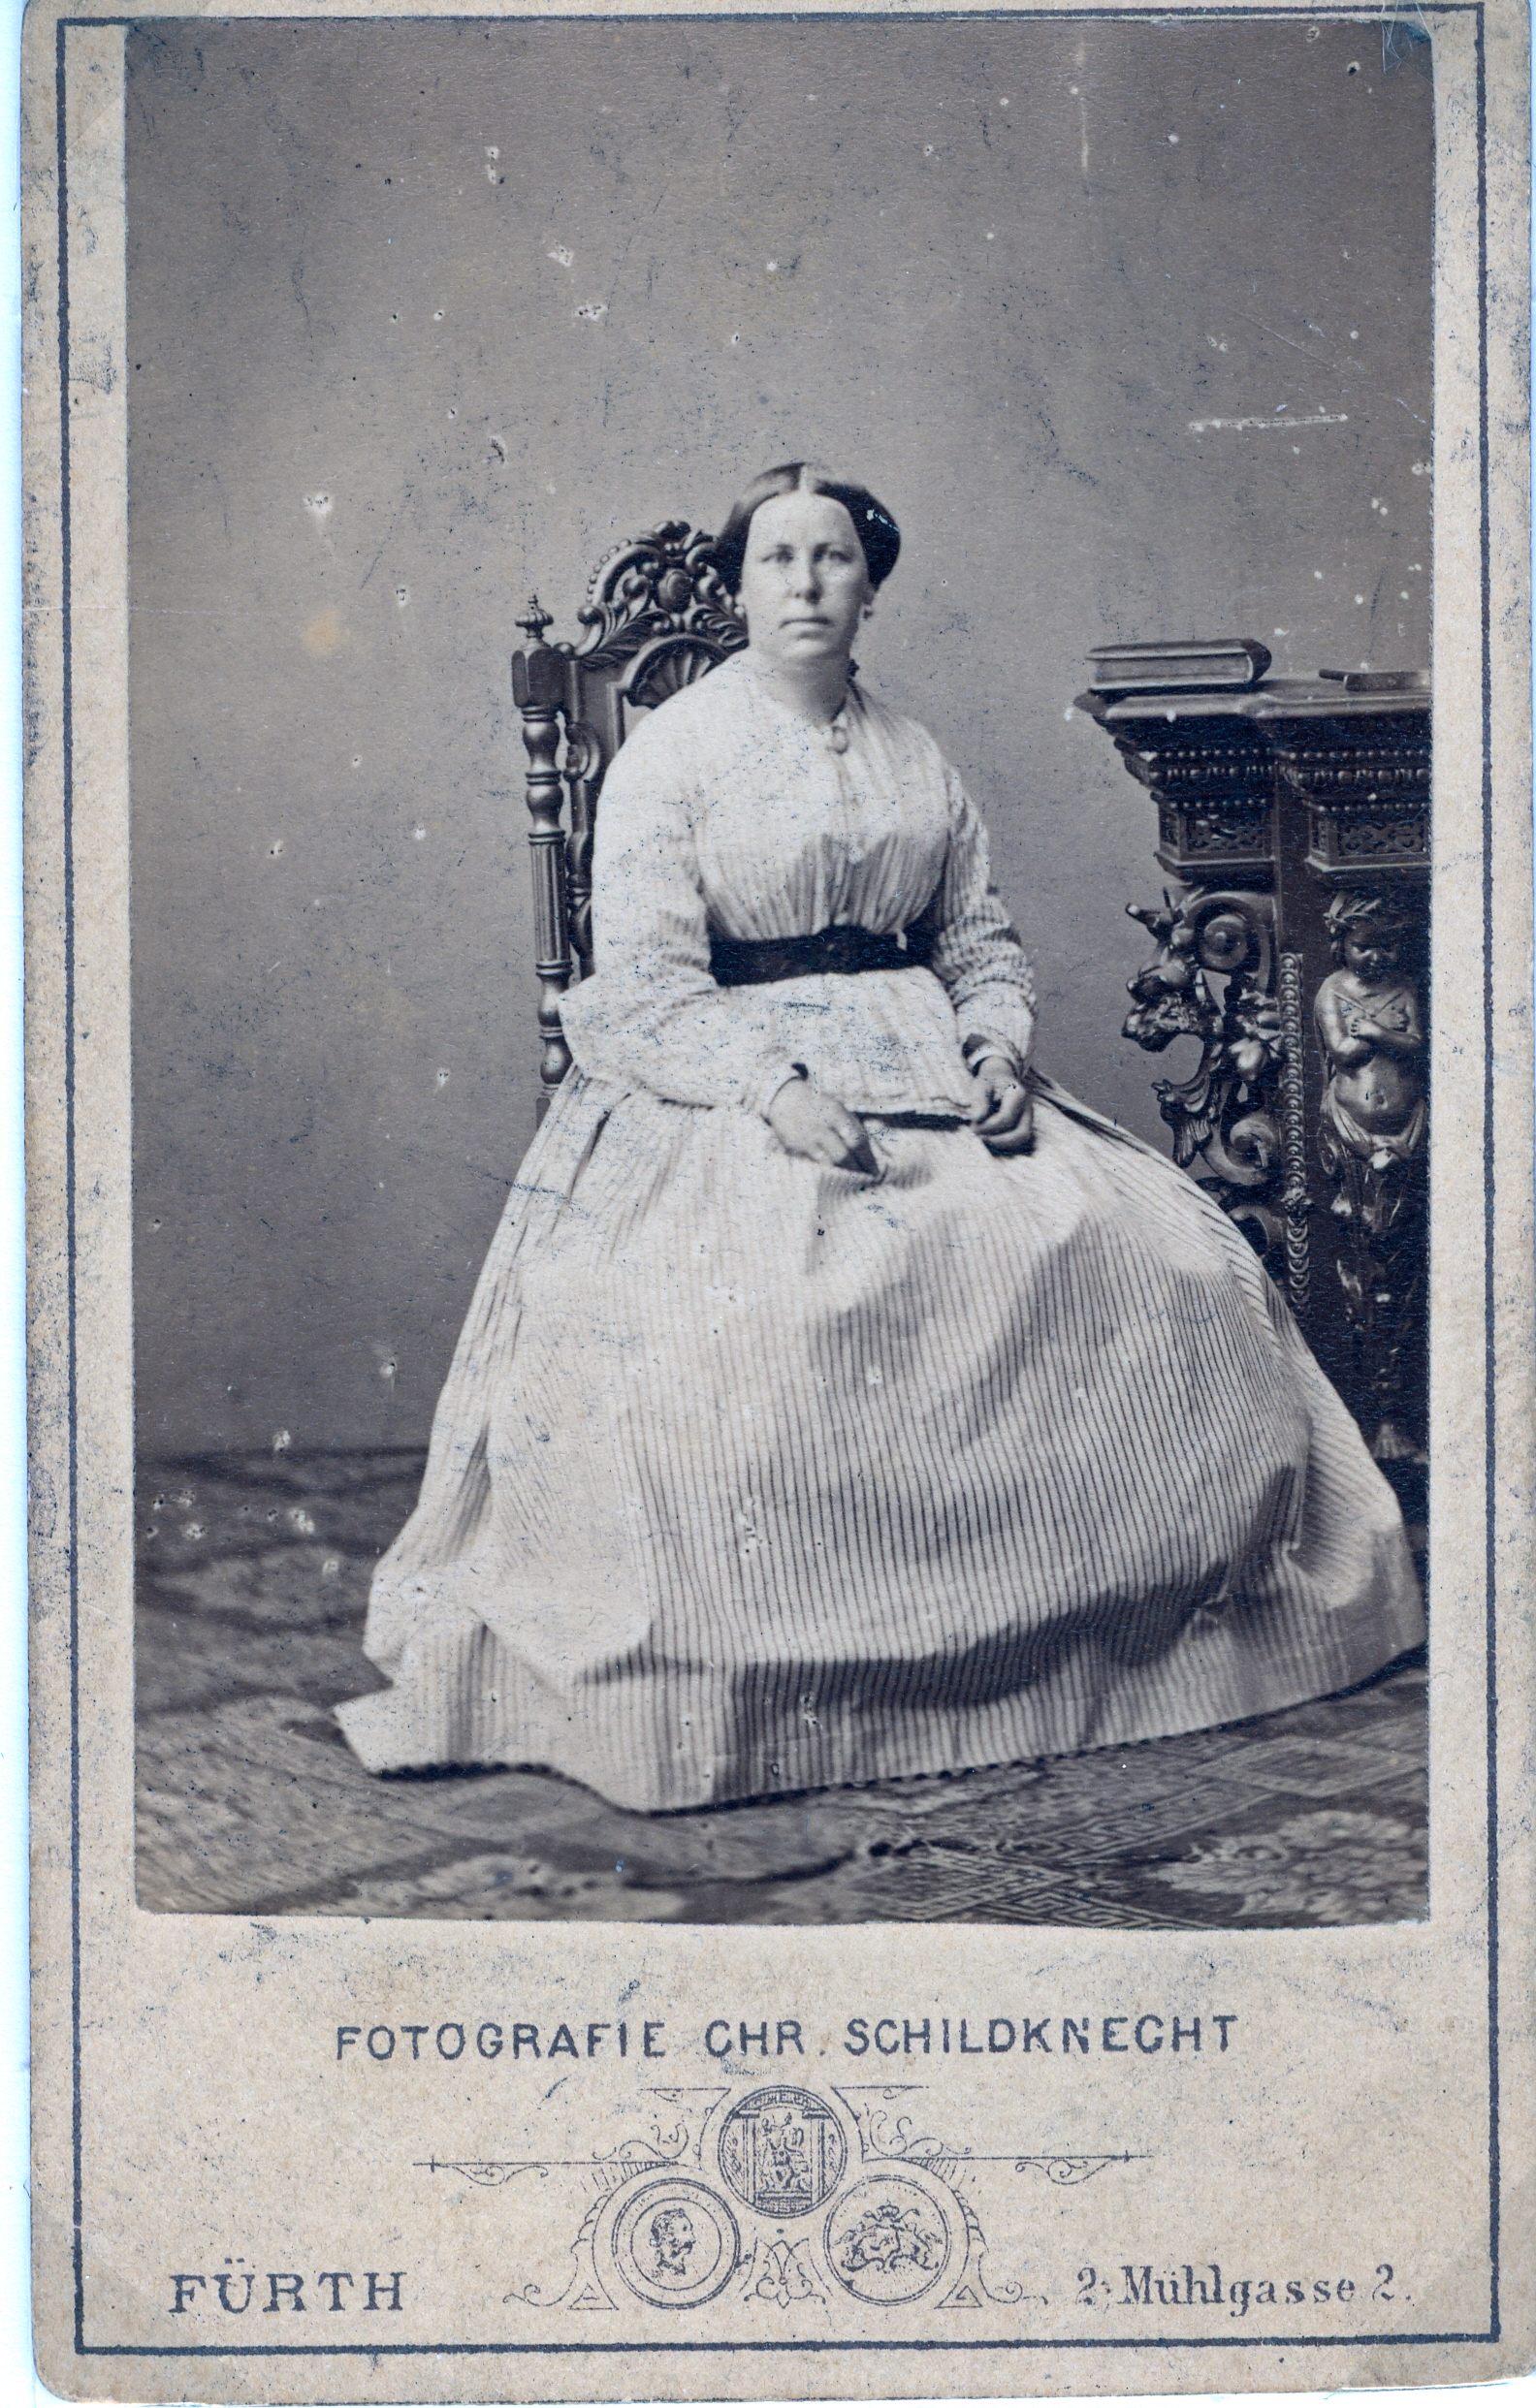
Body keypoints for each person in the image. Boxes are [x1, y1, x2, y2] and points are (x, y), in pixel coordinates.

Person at [336, 461, 1424, 1812]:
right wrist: (776, 1091)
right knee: (759, 1327)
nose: (806, 583)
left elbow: (979, 943)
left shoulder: (916, 753)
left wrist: (996, 1054)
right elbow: (646, 986)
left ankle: (1102, 1641)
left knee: (1175, 1264)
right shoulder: (675, 754)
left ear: (870, 589)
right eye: (778, 559)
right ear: (739, 590)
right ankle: (802, 1675)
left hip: (932, 1069)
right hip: (724, 1085)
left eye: (834, 557)